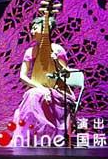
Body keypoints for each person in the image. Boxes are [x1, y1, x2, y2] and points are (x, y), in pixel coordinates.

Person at [11, 16, 75, 146]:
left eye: (35, 28)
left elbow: (67, 75)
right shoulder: (30, 51)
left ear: (45, 30)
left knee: (33, 95)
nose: (32, 31)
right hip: (39, 90)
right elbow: (23, 76)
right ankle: (33, 137)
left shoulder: (57, 49)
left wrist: (56, 60)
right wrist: (41, 88)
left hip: (58, 92)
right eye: (32, 28)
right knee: (33, 94)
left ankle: (45, 134)